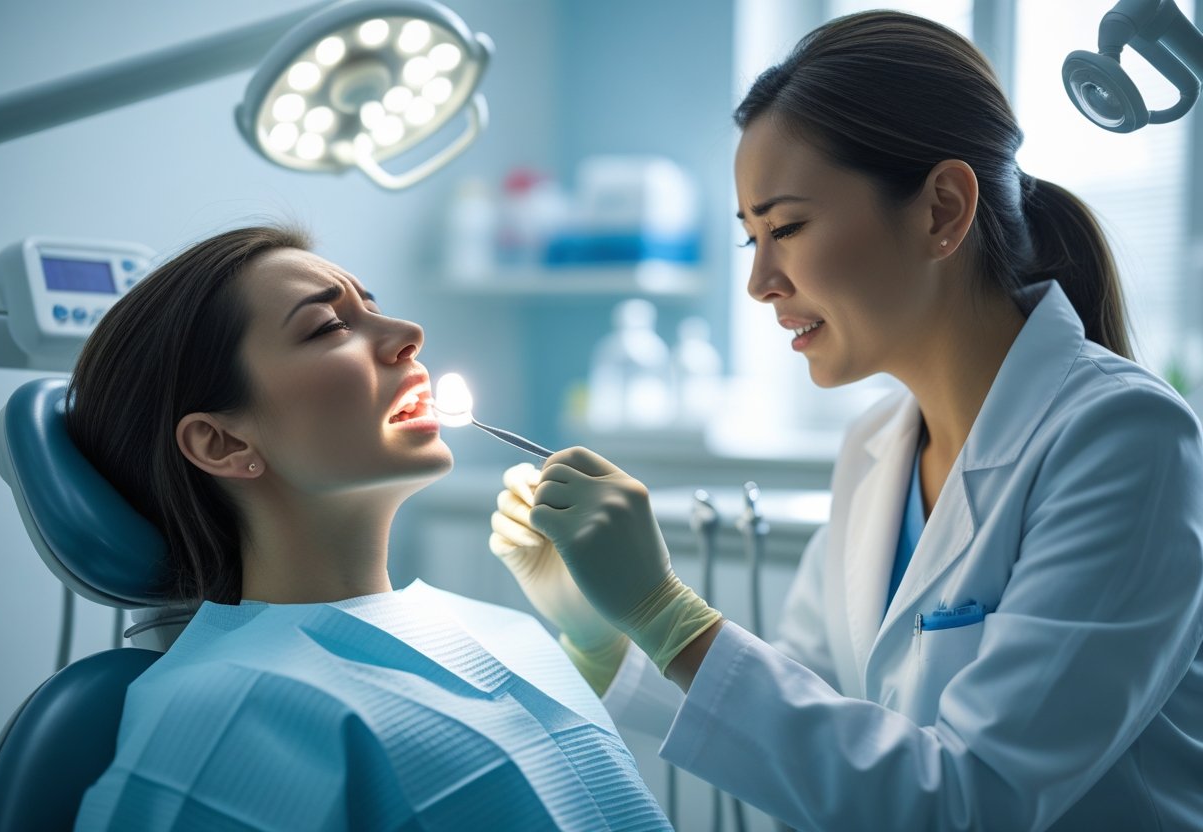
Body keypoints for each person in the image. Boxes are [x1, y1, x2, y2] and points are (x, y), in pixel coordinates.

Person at [488, 11, 1203, 831]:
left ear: (941, 209)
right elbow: (821, 716)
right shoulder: (876, 447)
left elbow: (974, 803)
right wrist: (613, 637)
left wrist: (666, 610)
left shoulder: (1124, 438)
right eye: (751, 237)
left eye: (786, 227)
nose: (760, 282)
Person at [65, 225, 672, 831]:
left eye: (375, 309)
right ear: (221, 441)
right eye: (329, 326)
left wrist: (598, 644)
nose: (410, 335)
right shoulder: (218, 712)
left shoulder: (508, 629)